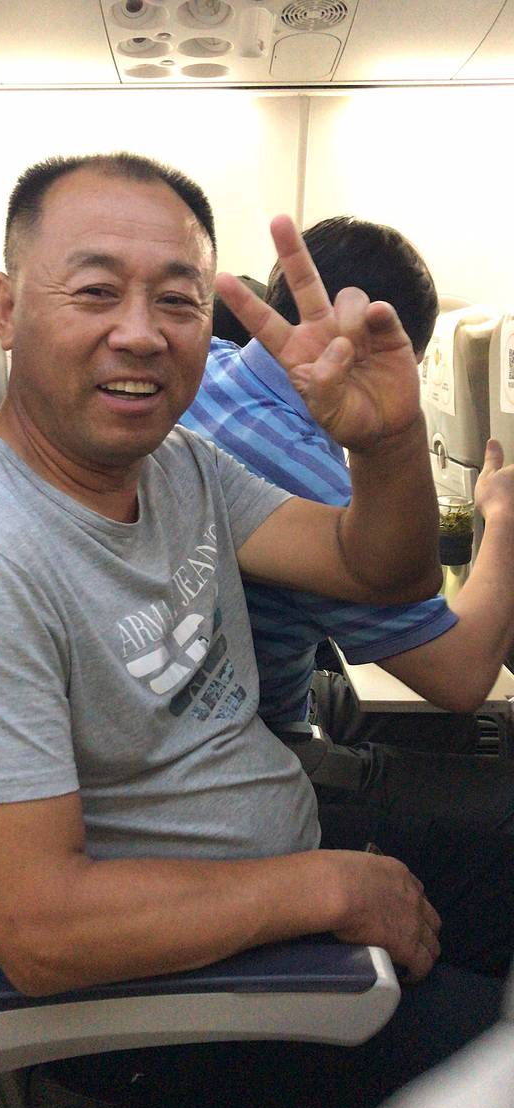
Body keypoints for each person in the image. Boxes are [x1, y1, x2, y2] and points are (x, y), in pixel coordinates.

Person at [0, 154, 512, 1108]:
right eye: (95, 291)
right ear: (6, 308)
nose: (140, 331)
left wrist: (382, 446)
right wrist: (324, 887)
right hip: (166, 1002)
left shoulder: (172, 463)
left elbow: (373, 569)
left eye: (176, 299)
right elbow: (41, 929)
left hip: (280, 861)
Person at [183, 215, 514, 834]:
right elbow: (463, 674)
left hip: (268, 688)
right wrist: (504, 520)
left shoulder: (211, 366)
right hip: (261, 743)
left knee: (487, 731)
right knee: (498, 796)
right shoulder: (304, 472)